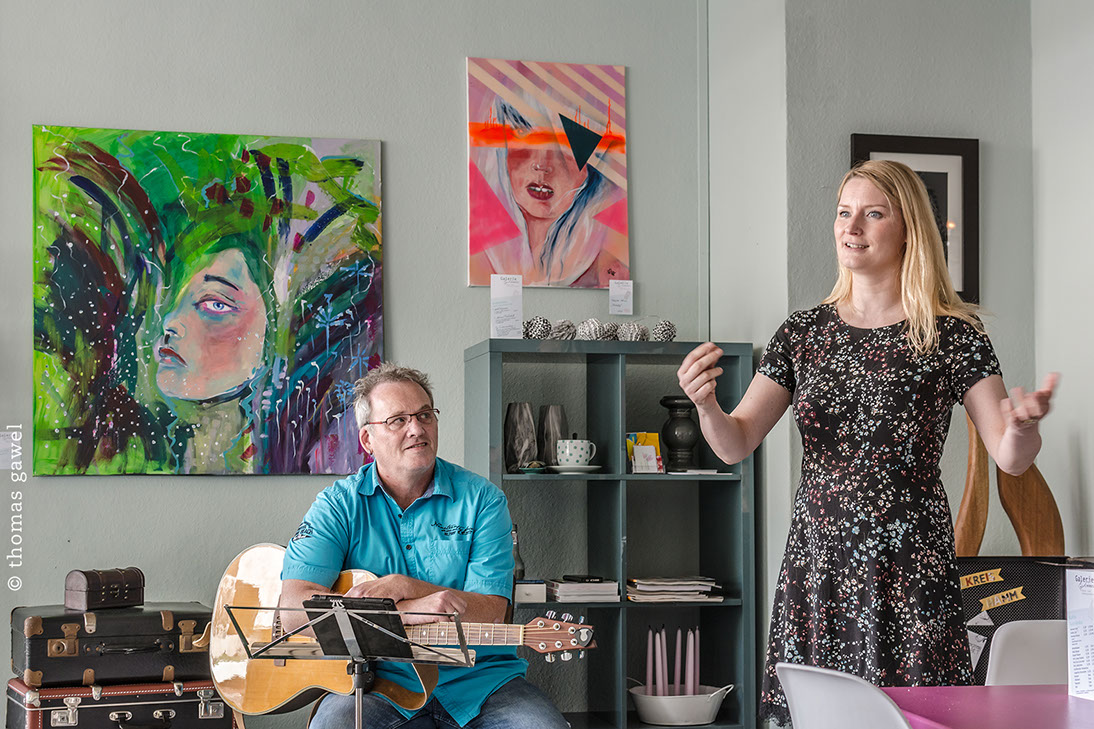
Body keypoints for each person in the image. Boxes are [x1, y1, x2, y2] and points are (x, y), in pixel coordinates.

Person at [676, 160, 1058, 726]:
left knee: (914, 716)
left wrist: (1023, 427)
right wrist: (706, 405)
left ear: (908, 230)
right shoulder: (802, 333)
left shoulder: (953, 334)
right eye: (843, 212)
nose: (851, 227)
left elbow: (1009, 455)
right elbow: (735, 443)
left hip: (911, 566)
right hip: (819, 563)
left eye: (872, 214)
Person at [280, 363, 569, 729]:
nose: (416, 429)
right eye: (397, 420)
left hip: (480, 681)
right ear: (367, 440)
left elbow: (492, 612)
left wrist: (406, 587)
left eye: (424, 415)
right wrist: (405, 611)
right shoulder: (337, 506)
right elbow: (293, 612)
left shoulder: (483, 500)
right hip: (377, 681)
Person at [468, 97, 629, 288]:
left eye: (565, 145)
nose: (542, 165)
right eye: (523, 134)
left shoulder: (609, 257)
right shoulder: (477, 256)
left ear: (591, 165)